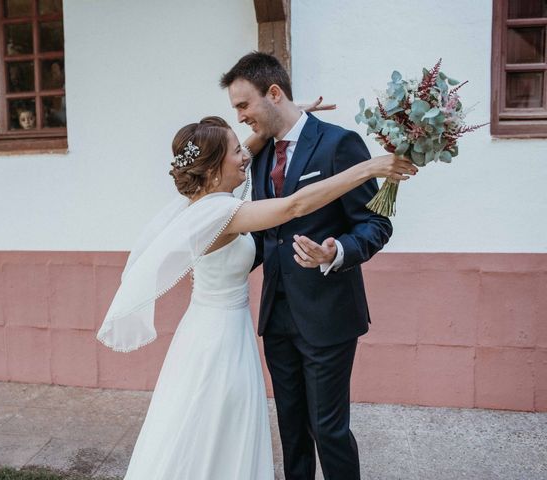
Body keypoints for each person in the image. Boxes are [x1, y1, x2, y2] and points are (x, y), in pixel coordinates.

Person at [96, 114, 416, 479]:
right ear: (215, 167)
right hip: (219, 340)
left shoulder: (199, 205)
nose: (246, 154)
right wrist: (368, 167)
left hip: (211, 329)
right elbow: (295, 205)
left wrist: (279, 120)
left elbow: (239, 152)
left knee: (206, 422)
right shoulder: (223, 213)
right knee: (218, 423)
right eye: (237, 150)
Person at [220, 52, 393, 480]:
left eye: (244, 105)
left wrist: (336, 251)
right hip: (276, 315)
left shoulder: (339, 144)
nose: (241, 117)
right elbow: (266, 233)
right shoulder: (259, 156)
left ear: (274, 93)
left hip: (328, 315)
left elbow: (375, 223)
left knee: (328, 429)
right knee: (292, 429)